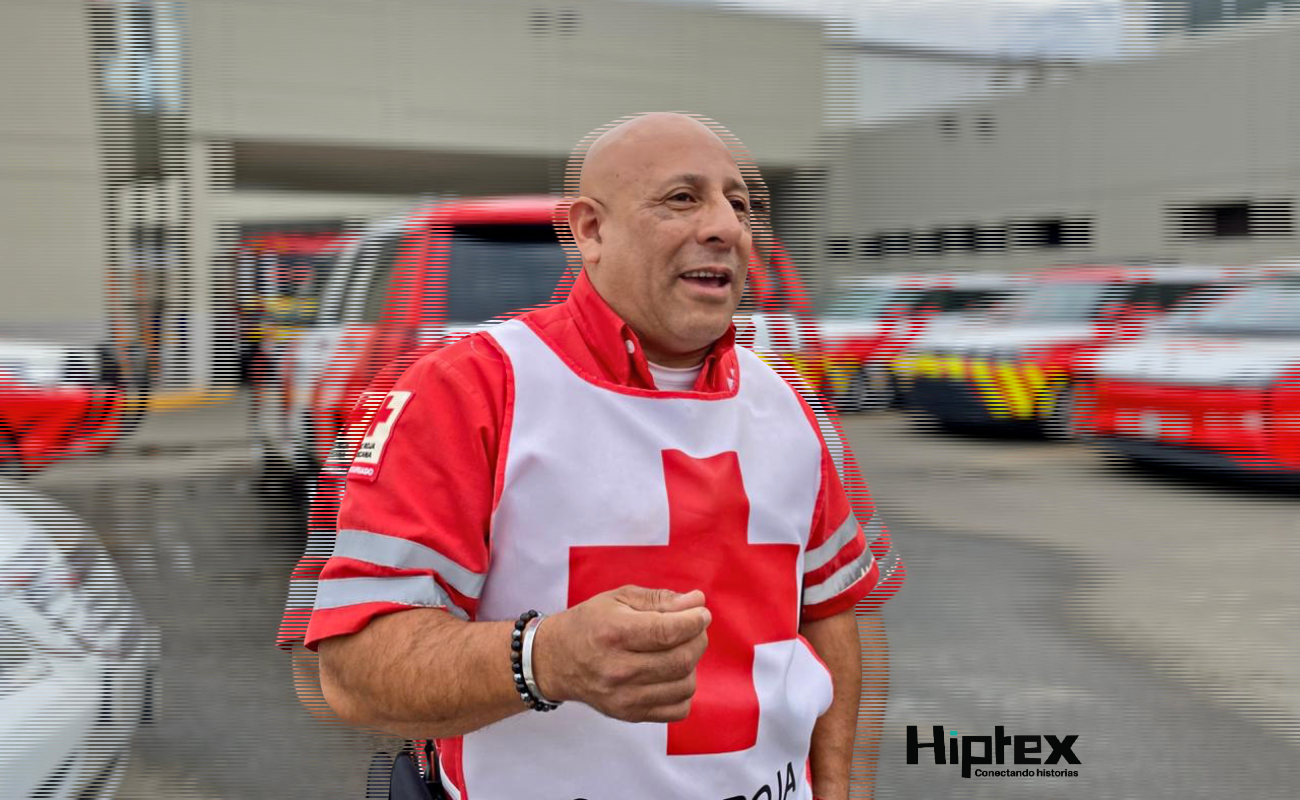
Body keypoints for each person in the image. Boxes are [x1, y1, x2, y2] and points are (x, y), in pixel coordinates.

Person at [300, 112, 903, 800]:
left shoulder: (788, 403)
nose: (728, 228)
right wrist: (544, 660)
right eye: (683, 198)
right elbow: (354, 669)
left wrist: (840, 787)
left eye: (739, 205)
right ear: (590, 229)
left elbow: (828, 612)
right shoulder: (472, 390)